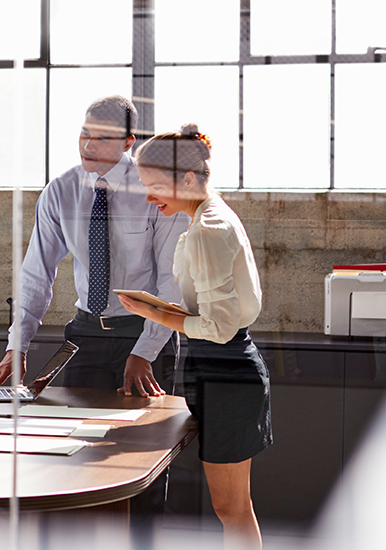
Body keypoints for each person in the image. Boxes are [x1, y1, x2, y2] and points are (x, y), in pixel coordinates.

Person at [0, 95, 188, 544]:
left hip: (143, 338)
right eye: (84, 133)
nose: (88, 144)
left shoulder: (153, 192)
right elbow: (36, 275)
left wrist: (145, 351)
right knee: (76, 459)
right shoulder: (61, 191)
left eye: (103, 137)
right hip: (86, 335)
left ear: (129, 142)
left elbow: (171, 282)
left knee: (142, 464)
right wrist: (18, 346)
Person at [120, 124, 271, 549]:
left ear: (187, 179)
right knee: (235, 507)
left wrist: (155, 314)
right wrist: (161, 309)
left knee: (232, 508)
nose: (149, 198)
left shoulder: (208, 228)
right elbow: (210, 310)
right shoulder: (207, 215)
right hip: (219, 367)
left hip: (226, 369)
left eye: (154, 186)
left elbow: (220, 328)